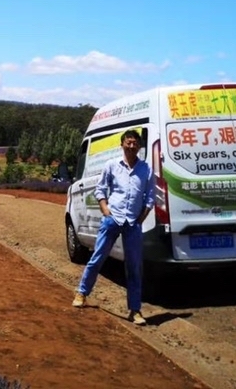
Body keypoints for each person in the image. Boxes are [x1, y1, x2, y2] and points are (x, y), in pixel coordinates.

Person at [71, 129, 154, 326]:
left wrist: (142, 217)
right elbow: (100, 189)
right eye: (128, 142)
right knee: (98, 257)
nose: (131, 146)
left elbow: (150, 196)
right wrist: (105, 209)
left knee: (134, 267)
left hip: (133, 223)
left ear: (140, 146)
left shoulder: (146, 169)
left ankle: (135, 310)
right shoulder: (111, 165)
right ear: (122, 144)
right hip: (112, 219)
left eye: (135, 143)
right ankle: (82, 293)